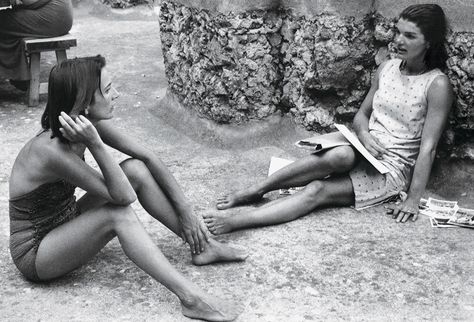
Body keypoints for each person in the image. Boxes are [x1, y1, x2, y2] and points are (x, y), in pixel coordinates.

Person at [9, 55, 247, 321]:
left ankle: (202, 246)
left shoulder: (86, 124)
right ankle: (191, 298)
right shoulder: (50, 151)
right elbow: (124, 197)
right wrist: (96, 144)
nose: (117, 95)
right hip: (37, 251)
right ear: (84, 104)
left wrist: (186, 210)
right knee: (118, 215)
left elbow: (148, 157)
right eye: (108, 90)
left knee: (134, 169)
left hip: (66, 220)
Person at [204, 4, 453, 234]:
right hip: (363, 149)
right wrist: (364, 136)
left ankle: (238, 222)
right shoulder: (387, 68)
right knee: (339, 155)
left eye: (410, 36)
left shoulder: (436, 84)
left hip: (391, 168)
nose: (398, 40)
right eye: (397, 32)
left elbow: (428, 149)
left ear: (429, 42)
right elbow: (362, 116)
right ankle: (257, 190)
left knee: (316, 190)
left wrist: (412, 199)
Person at [0, 0, 73, 90]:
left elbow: (32, 3)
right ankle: (19, 74)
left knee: (3, 21)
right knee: (10, 23)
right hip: (60, 17)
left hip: (53, 18)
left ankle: (18, 74)